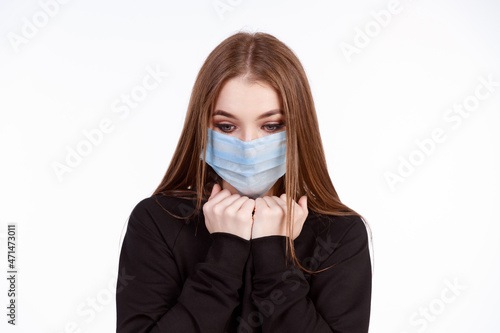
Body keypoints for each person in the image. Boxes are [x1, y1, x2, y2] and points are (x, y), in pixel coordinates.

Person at [116, 30, 373, 333]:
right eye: (226, 126)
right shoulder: (158, 221)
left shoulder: (339, 234)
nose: (248, 142)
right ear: (202, 128)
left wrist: (274, 257)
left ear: (297, 129)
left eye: (272, 125)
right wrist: (225, 255)